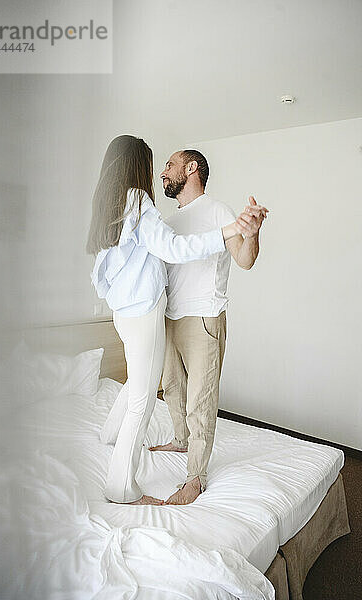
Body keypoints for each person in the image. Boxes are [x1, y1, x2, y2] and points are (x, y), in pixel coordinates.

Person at [86, 135, 244, 506]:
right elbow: (173, 249)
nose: (159, 171)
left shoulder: (112, 207)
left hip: (125, 313)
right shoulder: (140, 203)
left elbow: (101, 273)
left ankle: (110, 435)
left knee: (137, 381)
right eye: (154, 162)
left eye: (168, 164)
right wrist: (227, 233)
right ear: (137, 164)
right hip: (144, 313)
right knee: (143, 398)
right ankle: (122, 488)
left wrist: (118, 298)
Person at [149, 149, 268, 505]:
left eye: (169, 165)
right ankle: (180, 439)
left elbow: (245, 260)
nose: (163, 173)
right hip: (170, 317)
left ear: (191, 168)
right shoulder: (168, 222)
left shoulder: (219, 211)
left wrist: (254, 233)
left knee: (200, 398)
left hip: (204, 316)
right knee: (172, 387)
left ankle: (195, 477)